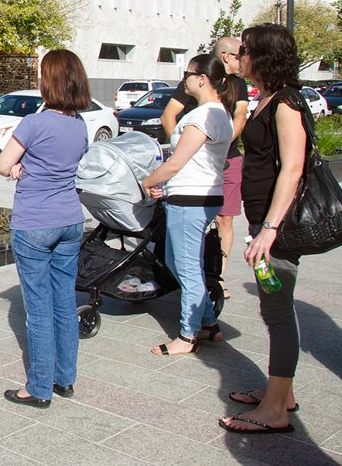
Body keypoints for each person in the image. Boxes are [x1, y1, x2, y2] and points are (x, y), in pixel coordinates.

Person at [220, 23, 306, 435]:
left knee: (277, 310)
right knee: (275, 310)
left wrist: (269, 230)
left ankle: (275, 410)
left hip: (279, 226)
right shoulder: (268, 98)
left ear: (264, 56)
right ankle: (280, 392)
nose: (240, 58)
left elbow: (292, 168)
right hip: (265, 221)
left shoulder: (286, 102)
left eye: (246, 51)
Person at [0, 49, 92, 408]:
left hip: (35, 222)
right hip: (70, 220)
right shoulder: (80, 125)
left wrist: (17, 169)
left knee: (38, 309)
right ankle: (64, 379)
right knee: (65, 304)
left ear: (47, 81)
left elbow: (3, 165)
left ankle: (37, 388)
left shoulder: (35, 123)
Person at [142, 54, 234, 356]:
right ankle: (207, 323)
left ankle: (187, 335)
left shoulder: (203, 116)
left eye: (188, 73)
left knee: (186, 266)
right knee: (177, 261)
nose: (184, 79)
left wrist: (148, 182)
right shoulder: (218, 114)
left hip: (191, 200)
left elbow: (176, 162)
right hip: (195, 197)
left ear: (202, 78)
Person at [212, 37, 250, 299]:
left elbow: (241, 116)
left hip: (229, 159)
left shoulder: (240, 84)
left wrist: (223, 145)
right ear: (226, 56)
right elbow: (171, 114)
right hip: (200, 160)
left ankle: (219, 277)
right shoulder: (202, 78)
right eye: (240, 54)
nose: (243, 59)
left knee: (225, 217)